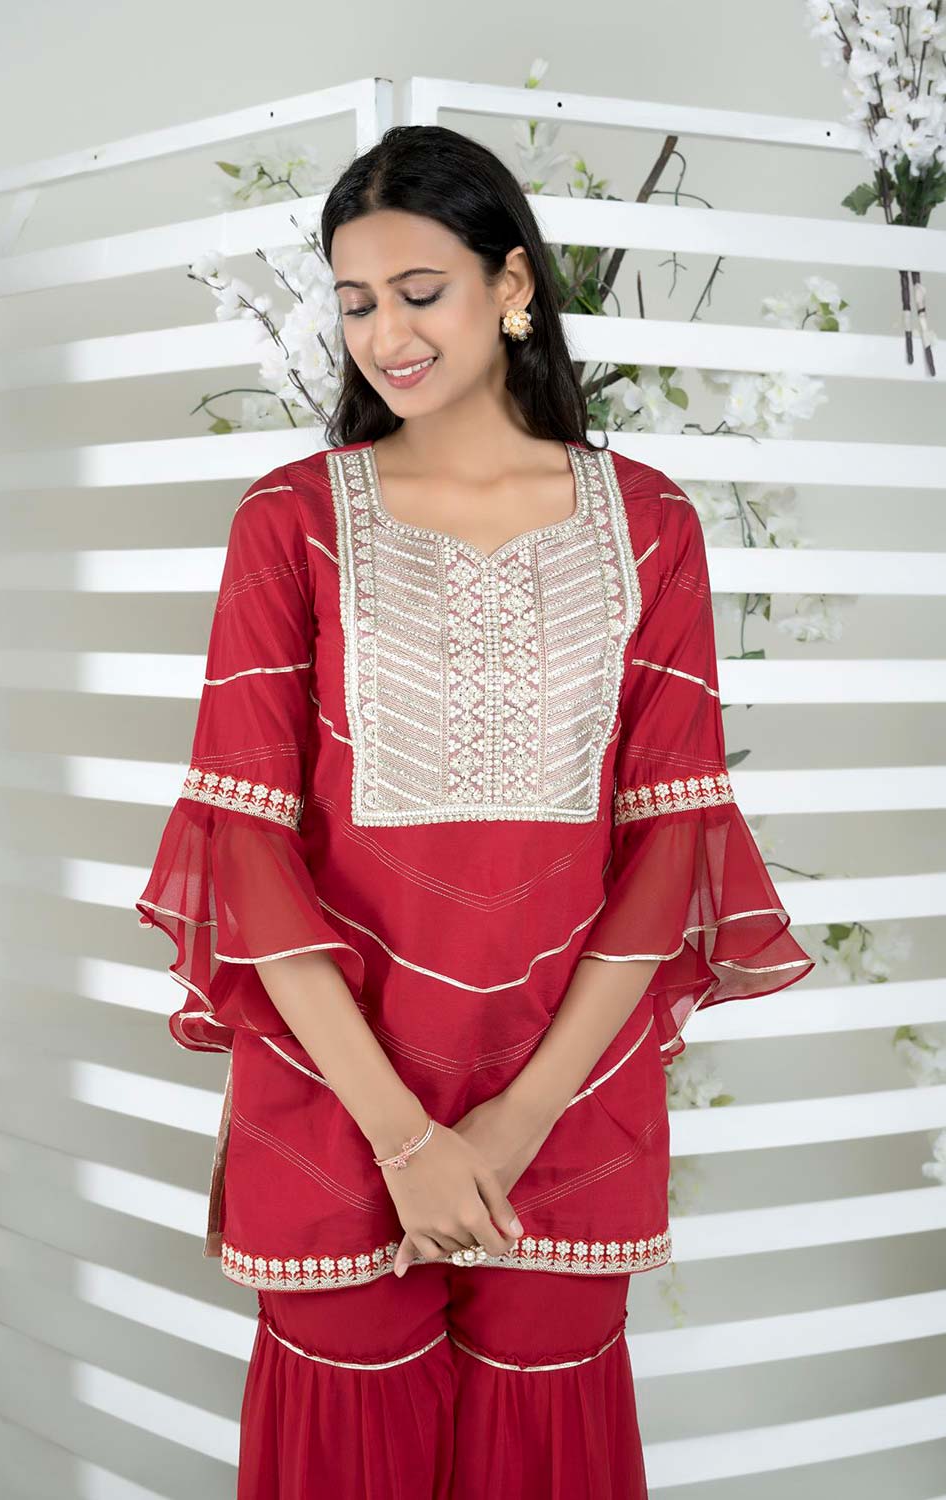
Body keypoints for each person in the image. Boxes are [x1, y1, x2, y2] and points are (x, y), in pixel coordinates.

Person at [135, 124, 816, 1498]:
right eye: (355, 302)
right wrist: (401, 1135)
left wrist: (512, 1123)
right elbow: (247, 846)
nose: (385, 334)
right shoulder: (290, 522)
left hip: (569, 1093)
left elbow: (669, 843)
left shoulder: (651, 524)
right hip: (333, 1091)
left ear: (511, 285)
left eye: (419, 292)